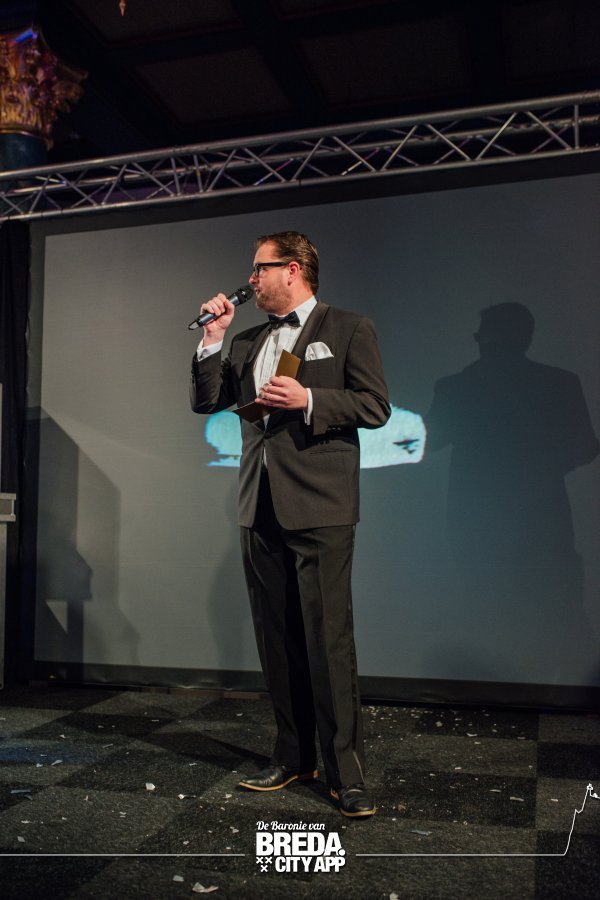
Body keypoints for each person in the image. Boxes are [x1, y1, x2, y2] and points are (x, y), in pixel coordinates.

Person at [190, 231, 390, 816]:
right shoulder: (248, 339)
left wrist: (309, 400)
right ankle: (293, 755)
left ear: (294, 269)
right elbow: (206, 402)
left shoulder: (347, 327)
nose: (251, 279)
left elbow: (375, 406)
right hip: (260, 504)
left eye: (260, 268)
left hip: (321, 506)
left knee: (328, 640)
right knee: (276, 638)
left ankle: (346, 773)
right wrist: (213, 338)